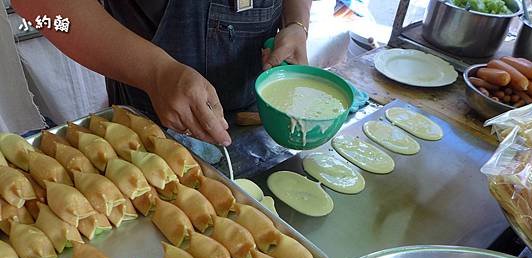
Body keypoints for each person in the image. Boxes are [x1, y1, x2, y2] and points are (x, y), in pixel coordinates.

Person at [13, 0, 312, 146]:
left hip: (261, 125)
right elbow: (38, 6)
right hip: (149, 135)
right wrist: (157, 72)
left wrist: (297, 24)